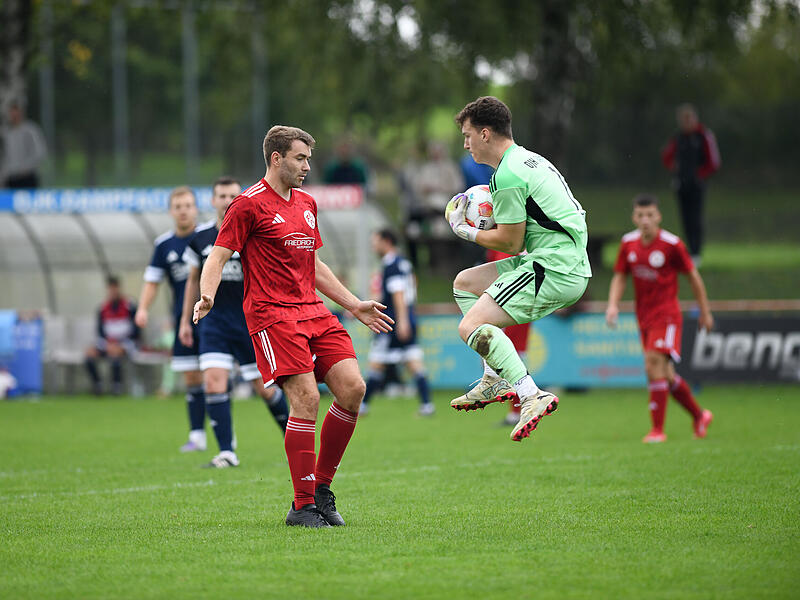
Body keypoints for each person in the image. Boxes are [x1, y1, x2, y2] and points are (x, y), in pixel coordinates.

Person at [193, 125, 393, 528]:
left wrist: (353, 304)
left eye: (308, 158)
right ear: (276, 158)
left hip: (313, 311)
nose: (307, 166)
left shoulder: (306, 203)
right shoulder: (246, 205)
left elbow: (314, 265)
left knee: (353, 388)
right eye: (300, 158)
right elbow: (216, 257)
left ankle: (321, 490)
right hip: (272, 315)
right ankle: (301, 507)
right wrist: (207, 295)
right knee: (305, 400)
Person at [446, 96, 592, 442]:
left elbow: (510, 243)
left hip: (555, 267)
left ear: (485, 134)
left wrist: (466, 229)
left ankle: (530, 394)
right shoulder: (529, 160)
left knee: (470, 326)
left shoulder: (507, 175)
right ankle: (493, 377)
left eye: (467, 136)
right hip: (557, 258)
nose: (465, 144)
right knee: (464, 284)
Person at [178, 176, 289, 468]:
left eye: (232, 196)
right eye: (221, 196)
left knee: (265, 390)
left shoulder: (254, 233)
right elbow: (192, 280)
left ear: (240, 200)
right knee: (214, 382)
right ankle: (227, 452)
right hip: (214, 322)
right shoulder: (200, 238)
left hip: (250, 323)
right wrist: (185, 320)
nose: (227, 201)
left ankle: (294, 442)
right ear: (213, 201)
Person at [605, 194, 714, 443]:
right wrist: (612, 305)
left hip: (666, 316)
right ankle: (699, 415)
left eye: (650, 215)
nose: (645, 220)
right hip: (643, 316)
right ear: (634, 217)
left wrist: (705, 311)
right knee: (665, 374)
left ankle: (657, 430)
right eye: (641, 215)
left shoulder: (671, 244)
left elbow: (693, 277)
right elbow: (621, 275)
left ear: (659, 217)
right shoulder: (628, 243)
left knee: (652, 364)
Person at [135, 187, 206, 453]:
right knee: (191, 376)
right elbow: (152, 281)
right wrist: (142, 309)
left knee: (217, 376)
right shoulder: (164, 245)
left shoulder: (209, 237)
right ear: (171, 211)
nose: (184, 210)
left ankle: (228, 439)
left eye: (188, 205)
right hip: (184, 320)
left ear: (196, 208)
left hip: (215, 319)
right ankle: (197, 436)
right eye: (178, 206)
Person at [360, 228, 433, 417]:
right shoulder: (404, 264)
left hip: (392, 321)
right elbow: (412, 289)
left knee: (376, 364)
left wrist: (402, 322)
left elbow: (399, 294)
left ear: (386, 241)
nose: (373, 245)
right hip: (406, 318)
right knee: (414, 362)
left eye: (375, 241)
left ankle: (362, 406)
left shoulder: (392, 265)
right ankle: (427, 405)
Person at [661, 104, 721, 264]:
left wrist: (698, 175)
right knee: (685, 218)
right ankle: (689, 250)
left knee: (696, 218)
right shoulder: (678, 138)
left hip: (697, 185)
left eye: (689, 119)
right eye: (683, 119)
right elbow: (666, 156)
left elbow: (714, 162)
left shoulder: (703, 136)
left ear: (695, 119)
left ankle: (696, 252)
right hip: (681, 184)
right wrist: (674, 168)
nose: (686, 123)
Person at [84, 276, 139, 395]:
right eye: (110, 289)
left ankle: (116, 386)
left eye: (115, 289)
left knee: (115, 353)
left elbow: (136, 330)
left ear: (119, 288)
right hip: (108, 342)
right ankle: (97, 385)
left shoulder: (129, 306)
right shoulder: (103, 308)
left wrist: (120, 343)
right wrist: (108, 343)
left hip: (126, 342)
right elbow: (100, 331)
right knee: (89, 354)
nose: (112, 292)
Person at [0, 101, 47, 188]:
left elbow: (40, 152)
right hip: (11, 177)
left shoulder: (31, 130)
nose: (13, 116)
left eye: (16, 113)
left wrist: (26, 168)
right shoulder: (6, 133)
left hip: (28, 177)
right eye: (11, 113)